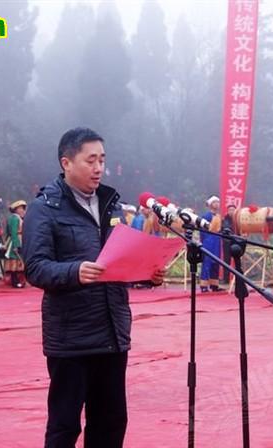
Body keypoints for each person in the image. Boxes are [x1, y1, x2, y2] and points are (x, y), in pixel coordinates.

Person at [23, 127, 164, 448]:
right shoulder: (44, 209)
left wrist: (147, 273)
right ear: (66, 163)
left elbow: (119, 260)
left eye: (102, 160)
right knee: (64, 426)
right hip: (71, 337)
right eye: (91, 160)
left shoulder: (111, 205)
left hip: (112, 333)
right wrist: (74, 271)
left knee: (111, 422)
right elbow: (36, 267)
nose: (99, 168)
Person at [200, 195, 223, 293]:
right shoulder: (206, 216)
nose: (217, 204)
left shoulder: (218, 216)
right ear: (210, 204)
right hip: (208, 240)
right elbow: (202, 230)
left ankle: (214, 284)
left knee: (216, 262)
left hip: (217, 240)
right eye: (214, 202)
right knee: (207, 261)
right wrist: (204, 241)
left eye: (218, 202)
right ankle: (204, 285)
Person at [5, 200, 27, 288]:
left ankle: (19, 281)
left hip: (20, 239)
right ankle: (15, 281)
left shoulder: (19, 218)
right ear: (16, 210)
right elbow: (13, 232)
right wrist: (16, 245)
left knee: (19, 262)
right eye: (20, 209)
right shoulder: (14, 218)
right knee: (14, 261)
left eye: (23, 209)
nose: (22, 210)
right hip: (15, 241)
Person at [221, 204, 237, 284]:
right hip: (227, 242)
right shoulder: (224, 220)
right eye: (230, 210)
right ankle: (226, 279)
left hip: (236, 242)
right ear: (227, 211)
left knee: (237, 261)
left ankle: (238, 279)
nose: (232, 211)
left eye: (233, 210)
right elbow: (223, 230)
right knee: (226, 261)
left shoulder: (238, 219)